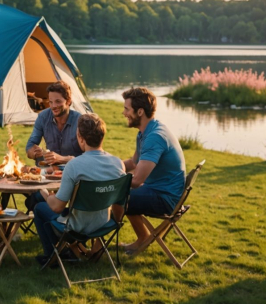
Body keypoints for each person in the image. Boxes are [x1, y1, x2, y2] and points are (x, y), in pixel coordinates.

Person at [32, 113, 125, 266]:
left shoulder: (74, 166)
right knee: (57, 206)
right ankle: (65, 252)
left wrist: (45, 193)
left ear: (80, 138)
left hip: (78, 226)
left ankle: (54, 257)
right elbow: (120, 204)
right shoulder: (118, 163)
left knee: (40, 207)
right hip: (104, 223)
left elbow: (57, 207)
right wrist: (115, 220)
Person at [113, 87, 186, 255]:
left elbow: (137, 180)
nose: (124, 113)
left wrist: (110, 183)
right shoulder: (145, 132)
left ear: (140, 112)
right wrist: (108, 166)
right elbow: (133, 162)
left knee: (117, 197)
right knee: (121, 193)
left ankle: (105, 239)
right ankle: (143, 238)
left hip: (165, 198)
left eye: (126, 109)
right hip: (158, 189)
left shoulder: (155, 136)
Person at [25, 81, 84, 167]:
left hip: (75, 170)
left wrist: (61, 159)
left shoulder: (80, 121)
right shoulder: (43, 117)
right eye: (50, 102)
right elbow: (29, 146)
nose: (53, 106)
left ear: (68, 102)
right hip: (51, 171)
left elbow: (90, 156)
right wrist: (34, 152)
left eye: (58, 101)